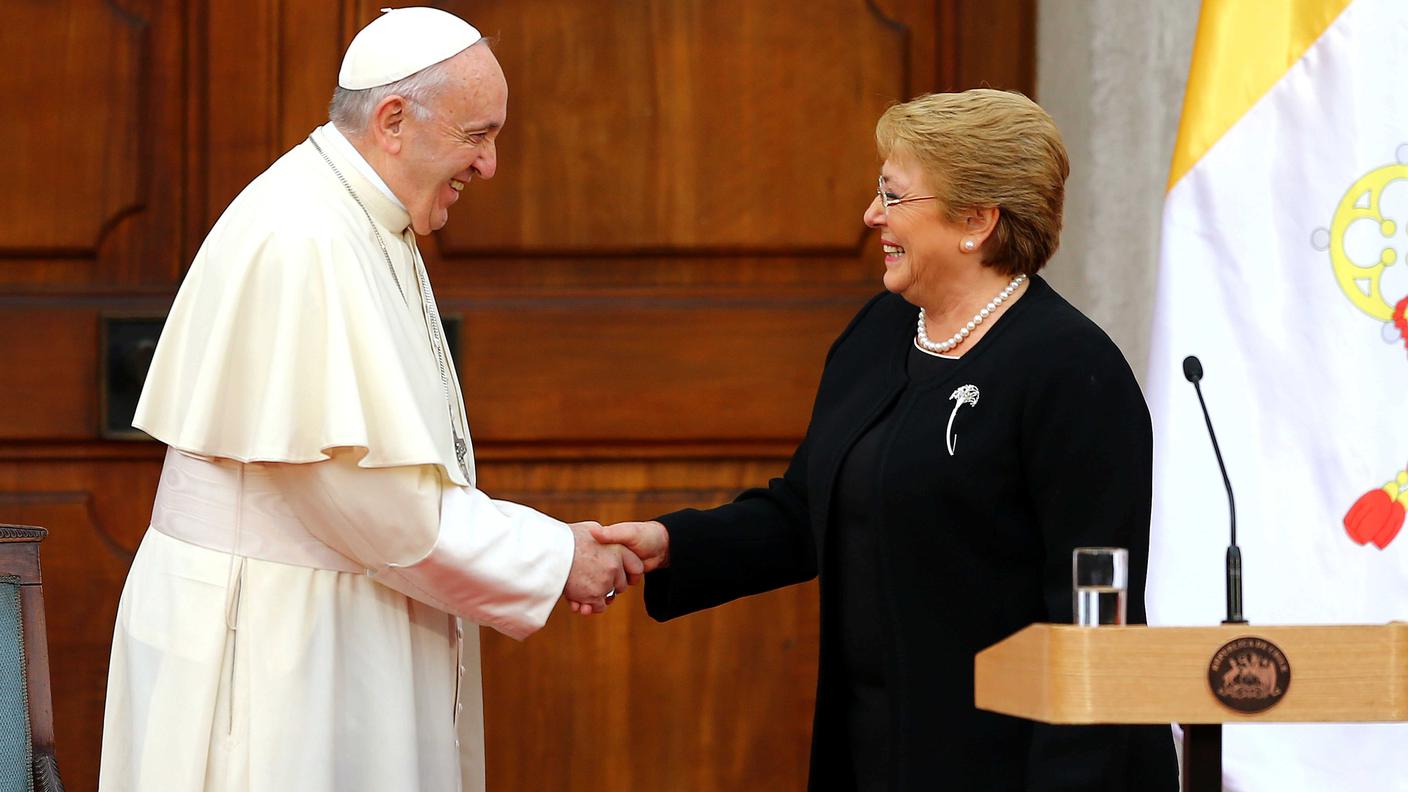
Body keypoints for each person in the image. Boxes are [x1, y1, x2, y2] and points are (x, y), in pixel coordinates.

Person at [98, 8, 637, 792]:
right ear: (393, 120)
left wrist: (551, 551)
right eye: (477, 135)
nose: (488, 165)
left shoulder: (359, 216)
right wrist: (557, 558)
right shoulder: (306, 236)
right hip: (275, 657)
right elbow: (370, 499)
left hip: (322, 634)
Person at [593, 90, 1179, 790]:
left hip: (1015, 766)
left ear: (977, 221)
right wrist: (671, 544)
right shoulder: (879, 332)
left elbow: (1093, 627)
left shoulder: (1074, 373)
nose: (872, 215)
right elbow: (805, 511)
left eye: (894, 195)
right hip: (877, 753)